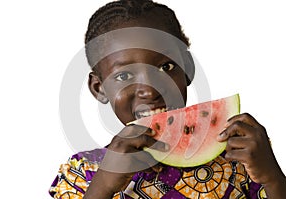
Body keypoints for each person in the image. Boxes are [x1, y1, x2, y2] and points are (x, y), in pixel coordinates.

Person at [49, 0, 286, 198]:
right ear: (99, 88)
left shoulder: (239, 158)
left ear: (187, 69)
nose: (149, 91)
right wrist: (102, 187)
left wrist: (273, 178)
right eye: (124, 75)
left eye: (166, 66)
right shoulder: (80, 173)